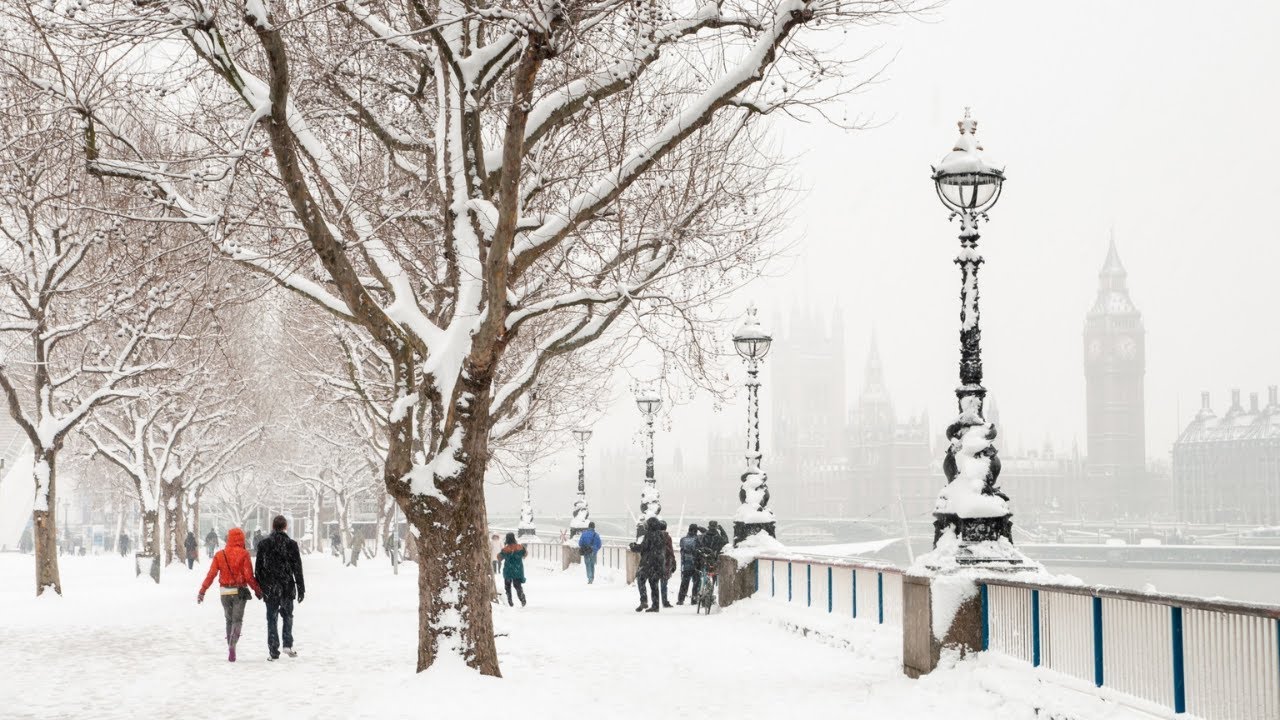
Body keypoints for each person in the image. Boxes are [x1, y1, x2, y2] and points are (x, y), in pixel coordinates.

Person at [198, 527, 262, 663]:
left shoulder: (220, 555)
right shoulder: (244, 554)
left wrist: (202, 591)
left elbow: (211, 574)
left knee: (228, 620)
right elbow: (249, 576)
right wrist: (257, 590)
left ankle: (230, 646)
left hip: (225, 592)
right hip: (239, 592)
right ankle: (233, 644)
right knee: (237, 620)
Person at [255, 515, 306, 661]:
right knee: (288, 616)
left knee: (271, 619)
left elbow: (258, 568)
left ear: (273, 526)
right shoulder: (291, 544)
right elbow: (298, 569)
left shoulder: (264, 544)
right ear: (285, 527)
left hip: (270, 587)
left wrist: (260, 586)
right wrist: (301, 588)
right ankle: (287, 644)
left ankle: (273, 650)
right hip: (287, 586)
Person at [629, 517, 666, 612]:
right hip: (658, 563)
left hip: (648, 562)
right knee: (654, 584)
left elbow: (644, 547)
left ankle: (644, 600)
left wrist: (634, 547)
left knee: (641, 579)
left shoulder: (649, 535)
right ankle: (655, 605)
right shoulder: (661, 535)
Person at [496, 532, 527, 607]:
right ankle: (522, 599)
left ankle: (510, 602)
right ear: (514, 538)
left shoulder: (505, 549)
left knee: (507, 587)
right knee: (517, 586)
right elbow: (525, 554)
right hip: (518, 569)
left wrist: (501, 554)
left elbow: (499, 558)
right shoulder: (520, 547)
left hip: (508, 570)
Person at [677, 524, 702, 605]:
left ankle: (681, 599)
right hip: (696, 564)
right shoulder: (698, 538)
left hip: (687, 563)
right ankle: (694, 599)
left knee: (684, 582)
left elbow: (682, 549)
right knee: (696, 582)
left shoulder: (683, 539)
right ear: (696, 530)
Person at [659, 520, 676, 608]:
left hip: (655, 562)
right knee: (664, 583)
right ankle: (664, 601)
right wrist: (674, 561)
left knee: (653, 583)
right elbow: (671, 550)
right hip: (665, 563)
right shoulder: (667, 537)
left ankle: (655, 602)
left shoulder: (655, 536)